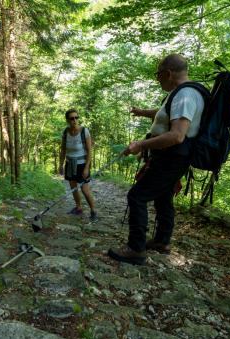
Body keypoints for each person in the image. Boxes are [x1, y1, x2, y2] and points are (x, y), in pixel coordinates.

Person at [108, 53, 205, 265]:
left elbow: (177, 135)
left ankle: (136, 249)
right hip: (172, 157)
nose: (157, 79)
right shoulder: (179, 94)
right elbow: (165, 114)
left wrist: (140, 145)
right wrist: (142, 112)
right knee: (163, 197)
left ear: (168, 73)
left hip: (172, 157)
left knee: (137, 196)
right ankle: (161, 241)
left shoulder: (185, 95)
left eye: (158, 75)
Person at [59, 108, 98, 222]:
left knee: (84, 189)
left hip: (81, 164)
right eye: (72, 118)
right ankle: (78, 207)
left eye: (76, 117)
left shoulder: (84, 131)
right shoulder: (66, 132)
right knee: (73, 188)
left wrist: (86, 167)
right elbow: (63, 150)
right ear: (67, 120)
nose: (75, 120)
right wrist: (61, 164)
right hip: (70, 163)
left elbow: (90, 151)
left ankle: (93, 211)